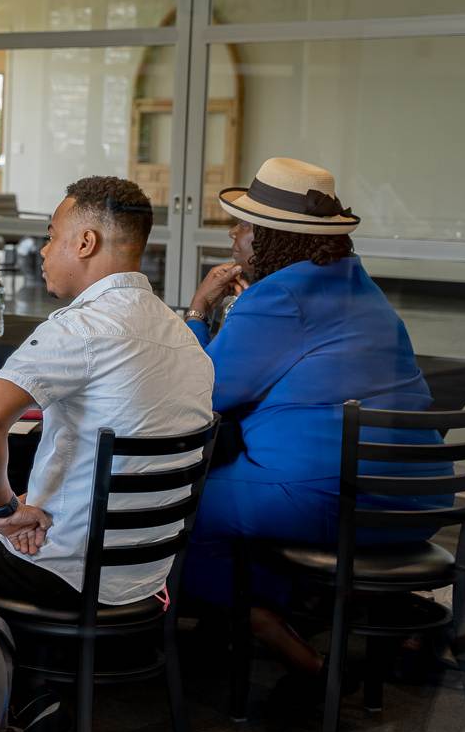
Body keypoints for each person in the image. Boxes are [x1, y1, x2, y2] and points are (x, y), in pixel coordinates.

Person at [180, 157, 445, 675]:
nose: (233, 235)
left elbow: (201, 393)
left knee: (169, 508)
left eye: (244, 225)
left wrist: (198, 313)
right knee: (228, 502)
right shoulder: (361, 287)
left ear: (271, 238)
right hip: (418, 501)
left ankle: (266, 623)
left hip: (333, 498)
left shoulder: (277, 296)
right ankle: (298, 608)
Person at [0, 177, 214, 610]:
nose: (45, 251)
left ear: (85, 242)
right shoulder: (185, 338)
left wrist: (6, 512)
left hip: (70, 571)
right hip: (147, 574)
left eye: (51, 236)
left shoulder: (80, 328)